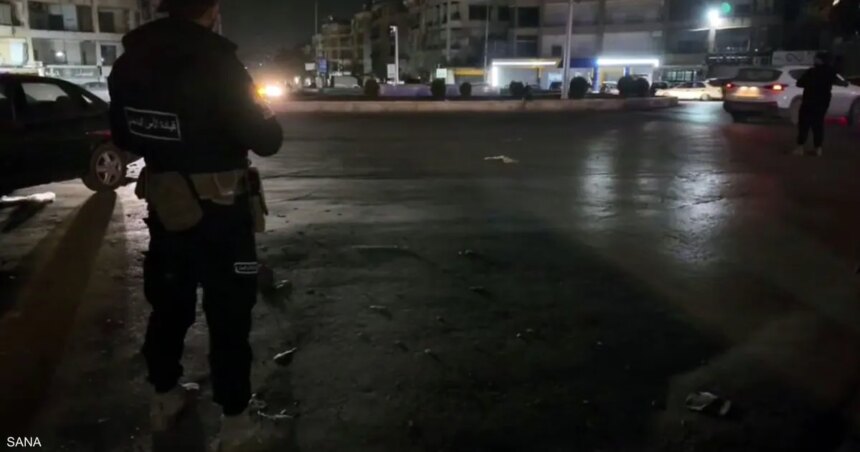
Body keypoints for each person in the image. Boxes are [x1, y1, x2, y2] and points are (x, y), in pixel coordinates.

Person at [107, 0, 283, 449]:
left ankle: (164, 397)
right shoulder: (219, 63)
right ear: (213, 10)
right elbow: (268, 140)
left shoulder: (129, 63)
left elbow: (124, 136)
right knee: (230, 310)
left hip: (168, 211)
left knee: (169, 302)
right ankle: (236, 421)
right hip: (224, 217)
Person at [793, 51, 847, 156]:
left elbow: (799, 83)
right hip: (822, 103)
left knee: (804, 125)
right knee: (818, 125)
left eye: (816, 58)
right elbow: (841, 82)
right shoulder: (831, 72)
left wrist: (809, 84)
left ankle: (800, 147)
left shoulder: (811, 72)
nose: (814, 60)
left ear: (819, 60)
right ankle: (818, 148)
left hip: (809, 101)